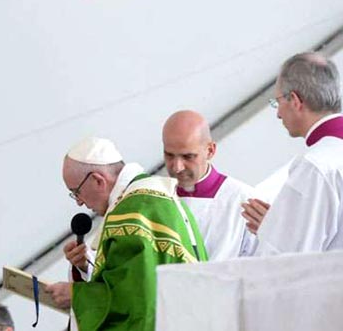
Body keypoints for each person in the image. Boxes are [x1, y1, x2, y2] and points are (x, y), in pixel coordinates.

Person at [45, 137, 206, 331]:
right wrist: (86, 266)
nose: (79, 202)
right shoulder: (153, 198)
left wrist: (77, 295)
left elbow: (137, 302)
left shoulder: (131, 213)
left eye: (76, 191)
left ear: (98, 180)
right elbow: (139, 279)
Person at [244, 52, 343, 255]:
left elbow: (291, 259)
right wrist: (280, 226)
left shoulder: (316, 166)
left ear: (296, 100)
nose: (278, 113)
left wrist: (275, 232)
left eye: (278, 101)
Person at [162, 110, 254, 260]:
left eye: (188, 156)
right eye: (169, 155)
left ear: (210, 151)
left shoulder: (244, 200)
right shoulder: (154, 198)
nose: (177, 167)